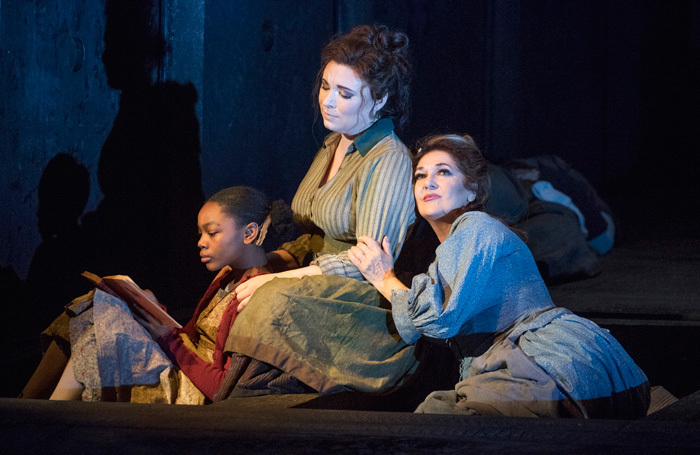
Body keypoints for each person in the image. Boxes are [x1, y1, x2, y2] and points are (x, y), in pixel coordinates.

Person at [348, 134, 651, 418]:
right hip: (565, 370)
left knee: (438, 418)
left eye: (443, 172)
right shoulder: (451, 248)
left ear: (472, 190)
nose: (429, 183)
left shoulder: (476, 227)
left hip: (556, 365)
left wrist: (383, 276)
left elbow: (437, 316)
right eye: (420, 175)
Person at [217, 25, 418, 397]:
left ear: (378, 99)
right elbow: (312, 232)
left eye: (345, 94)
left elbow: (367, 264)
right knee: (233, 285)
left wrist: (280, 279)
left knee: (266, 302)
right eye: (326, 86)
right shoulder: (333, 142)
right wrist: (275, 261)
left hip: (356, 298)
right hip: (312, 278)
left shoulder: (388, 159)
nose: (328, 101)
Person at [22, 186, 296, 404]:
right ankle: (29, 407)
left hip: (193, 388)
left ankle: (44, 419)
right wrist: (152, 310)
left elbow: (220, 387)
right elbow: (190, 335)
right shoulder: (226, 276)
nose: (201, 242)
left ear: (249, 233)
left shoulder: (255, 294)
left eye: (212, 233)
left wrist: (166, 336)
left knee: (97, 339)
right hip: (180, 358)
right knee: (95, 306)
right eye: (200, 233)